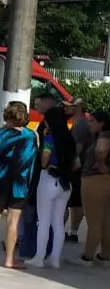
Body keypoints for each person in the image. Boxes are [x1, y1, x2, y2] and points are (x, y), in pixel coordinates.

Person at [0, 101, 39, 269]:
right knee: (13, 221)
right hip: (21, 183)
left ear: (8, 117)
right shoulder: (33, 136)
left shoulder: (1, 133)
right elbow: (33, 157)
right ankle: (9, 260)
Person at [28, 105, 80, 268]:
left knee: (43, 221)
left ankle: (39, 257)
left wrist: (45, 148)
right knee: (58, 223)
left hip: (49, 179)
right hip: (65, 184)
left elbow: (44, 159)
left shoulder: (50, 138)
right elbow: (77, 164)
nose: (44, 122)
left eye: (46, 119)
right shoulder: (70, 139)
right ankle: (55, 259)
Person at [76, 111, 110, 266]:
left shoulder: (104, 135)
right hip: (106, 180)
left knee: (94, 220)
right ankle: (105, 256)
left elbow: (101, 150)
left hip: (95, 180)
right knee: (106, 221)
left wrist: (101, 164)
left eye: (93, 121)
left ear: (102, 123)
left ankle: (87, 257)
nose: (90, 124)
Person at [66, 98, 90, 243]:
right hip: (80, 167)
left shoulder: (80, 124)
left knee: (76, 200)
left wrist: (70, 165)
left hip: (78, 168)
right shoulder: (80, 122)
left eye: (71, 106)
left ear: (78, 108)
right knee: (76, 201)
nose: (67, 108)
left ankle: (73, 231)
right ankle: (72, 231)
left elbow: (77, 148)